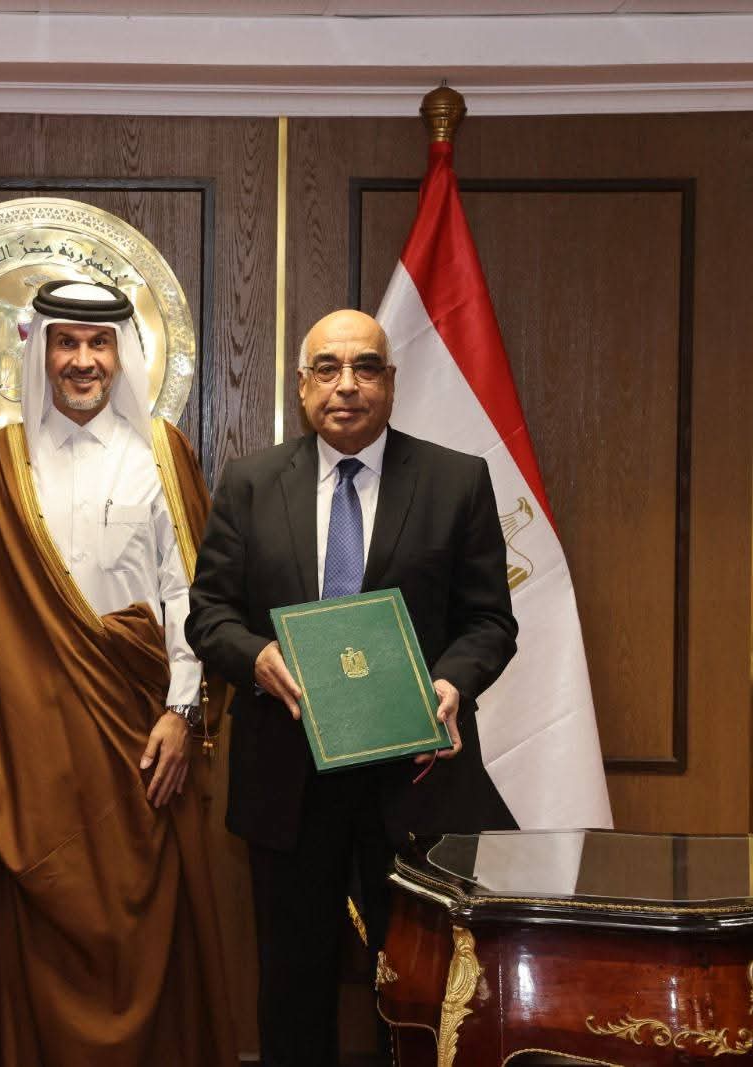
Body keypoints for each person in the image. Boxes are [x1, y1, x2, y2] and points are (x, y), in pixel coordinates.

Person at [186, 308, 518, 1066]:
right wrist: (256, 656)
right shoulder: (249, 483)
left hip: (414, 781)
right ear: (302, 385)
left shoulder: (456, 480)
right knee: (291, 989)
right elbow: (209, 615)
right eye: (328, 368)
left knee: (422, 992)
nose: (347, 385)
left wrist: (450, 682)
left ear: (391, 383)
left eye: (366, 367)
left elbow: (490, 622)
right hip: (288, 780)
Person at [0, 280, 236, 1066]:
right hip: (31, 751)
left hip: (141, 742)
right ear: (41, 351)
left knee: (148, 931)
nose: (83, 361)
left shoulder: (161, 453)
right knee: (40, 936)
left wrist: (182, 713)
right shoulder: (1, 462)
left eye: (99, 343)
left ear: (122, 354)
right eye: (67, 343)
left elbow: (190, 597)